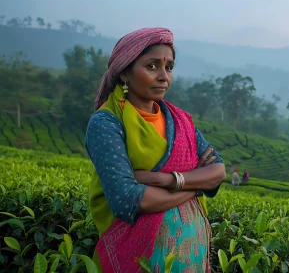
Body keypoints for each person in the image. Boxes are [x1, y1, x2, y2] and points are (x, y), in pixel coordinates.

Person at [85, 27, 226, 273]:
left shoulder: (178, 120)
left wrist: (166, 180)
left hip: (189, 256)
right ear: (124, 72)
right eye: (152, 66)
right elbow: (127, 199)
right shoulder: (106, 123)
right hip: (140, 259)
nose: (163, 76)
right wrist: (194, 188)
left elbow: (218, 171)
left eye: (168, 67)